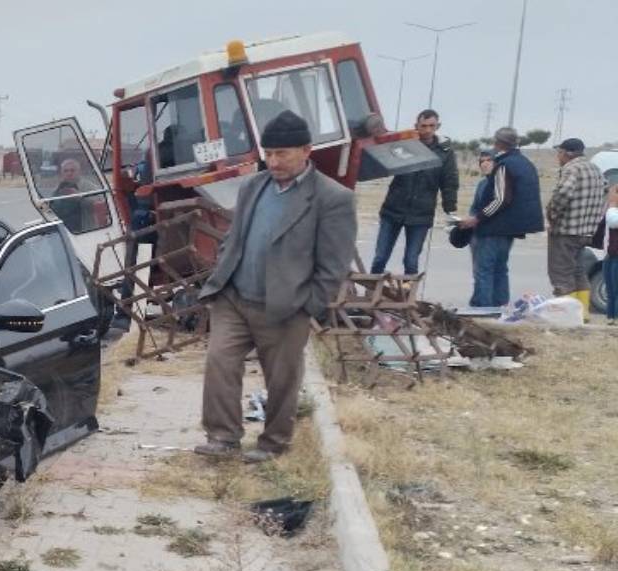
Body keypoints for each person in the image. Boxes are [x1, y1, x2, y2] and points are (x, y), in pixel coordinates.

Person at [194, 110, 356, 463]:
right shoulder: (254, 185)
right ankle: (223, 437)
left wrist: (309, 306)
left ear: (306, 150)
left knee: (282, 379)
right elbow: (234, 236)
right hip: (234, 298)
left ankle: (273, 443)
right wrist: (221, 273)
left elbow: (333, 265)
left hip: (284, 307)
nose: (274, 161)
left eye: (282, 153)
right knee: (220, 362)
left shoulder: (333, 198)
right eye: (268, 154)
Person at [459, 127, 544, 307]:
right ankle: (500, 308)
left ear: (497, 143)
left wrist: (477, 218)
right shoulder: (525, 163)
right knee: (500, 270)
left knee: (484, 270)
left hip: (494, 227)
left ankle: (484, 311)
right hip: (511, 228)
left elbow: (501, 199)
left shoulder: (504, 165)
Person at [370, 109, 459, 275]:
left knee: (411, 262)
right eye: (423, 126)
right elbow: (380, 150)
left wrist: (450, 209)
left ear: (437, 126)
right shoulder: (405, 144)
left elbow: (450, 182)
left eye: (431, 126)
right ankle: (371, 292)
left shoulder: (445, 152)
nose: (427, 130)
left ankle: (408, 296)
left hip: (421, 214)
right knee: (380, 258)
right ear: (416, 126)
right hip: (393, 209)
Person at [546, 137, 607, 316]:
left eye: (560, 152)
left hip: (566, 231)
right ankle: (582, 314)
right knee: (579, 272)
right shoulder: (595, 169)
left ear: (567, 153)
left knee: (561, 274)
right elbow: (605, 190)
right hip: (586, 232)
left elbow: (563, 193)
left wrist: (552, 215)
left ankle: (566, 315)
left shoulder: (571, 169)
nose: (558, 156)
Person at [596, 184, 618, 324]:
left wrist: (612, 204)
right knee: (610, 289)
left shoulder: (613, 211)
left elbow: (613, 222)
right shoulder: (612, 210)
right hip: (610, 254)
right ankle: (610, 318)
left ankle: (615, 318)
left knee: (616, 289)